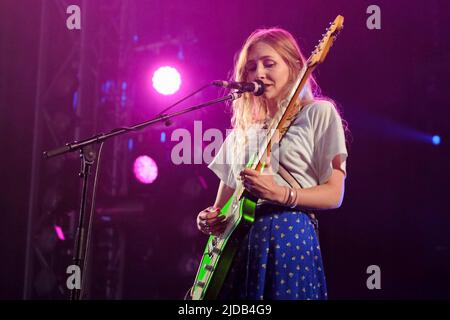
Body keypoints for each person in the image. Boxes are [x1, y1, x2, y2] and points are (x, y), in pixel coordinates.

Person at [196, 28, 348, 300]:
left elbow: (335, 194)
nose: (259, 74)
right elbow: (221, 208)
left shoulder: (319, 113)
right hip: (237, 249)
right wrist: (208, 219)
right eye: (251, 67)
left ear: (293, 66)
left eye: (269, 63)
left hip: (287, 238)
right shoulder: (239, 133)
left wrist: (282, 194)